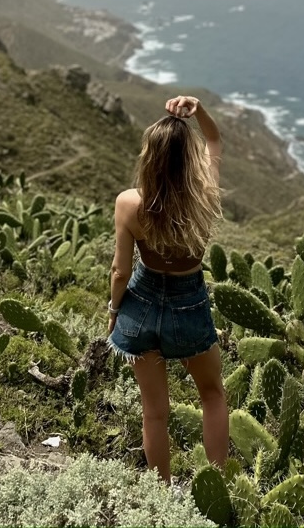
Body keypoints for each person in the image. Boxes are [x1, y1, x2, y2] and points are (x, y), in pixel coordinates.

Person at [107, 95, 228, 483]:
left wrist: (114, 311)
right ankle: (216, 485)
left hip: (139, 305)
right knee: (212, 395)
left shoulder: (128, 204)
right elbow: (215, 140)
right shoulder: (204, 198)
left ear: (150, 158)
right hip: (188, 305)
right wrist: (200, 111)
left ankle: (162, 491)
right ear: (187, 159)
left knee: (154, 412)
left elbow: (120, 271)